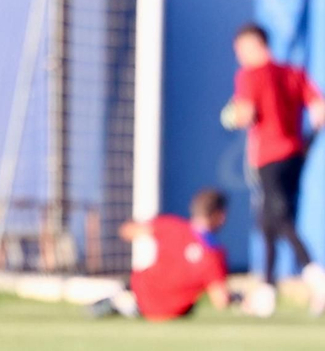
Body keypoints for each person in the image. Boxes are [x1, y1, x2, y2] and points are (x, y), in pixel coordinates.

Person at [224, 23, 325, 314]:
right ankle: (266, 290)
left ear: (254, 45)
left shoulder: (251, 75)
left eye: (241, 50)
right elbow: (318, 109)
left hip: (269, 156)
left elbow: (245, 114)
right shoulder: (293, 73)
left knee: (279, 219)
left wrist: (232, 117)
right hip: (295, 155)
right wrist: (307, 141)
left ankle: (314, 274)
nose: (240, 57)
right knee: (268, 219)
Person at [90, 189, 237, 320]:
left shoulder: (170, 226)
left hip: (141, 291)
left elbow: (127, 231)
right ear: (219, 215)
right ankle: (122, 302)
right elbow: (221, 300)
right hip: (168, 312)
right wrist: (238, 297)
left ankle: (121, 301)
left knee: (130, 288)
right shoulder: (214, 254)